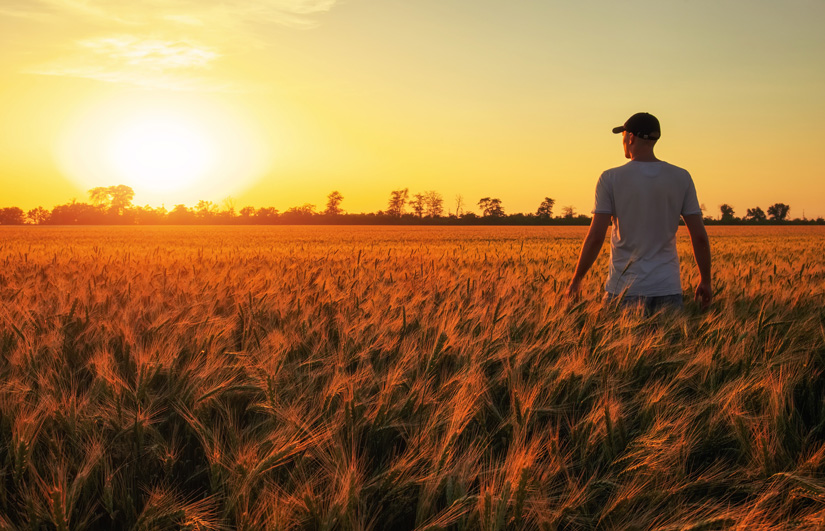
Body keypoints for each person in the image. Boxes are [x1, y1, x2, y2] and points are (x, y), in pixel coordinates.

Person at [565, 112, 712, 314]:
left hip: (623, 290)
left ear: (631, 137)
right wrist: (706, 280)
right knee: (668, 346)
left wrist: (576, 279)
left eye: (623, 135)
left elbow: (595, 237)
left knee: (622, 346)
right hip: (667, 288)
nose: (623, 141)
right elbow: (699, 237)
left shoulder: (610, 178)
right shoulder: (681, 177)